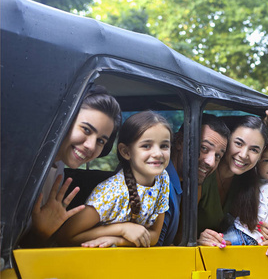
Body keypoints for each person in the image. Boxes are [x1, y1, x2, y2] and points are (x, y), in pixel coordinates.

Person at [20, 85, 122, 247]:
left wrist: (42, 233)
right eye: (86, 130)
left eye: (101, 141)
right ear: (63, 120)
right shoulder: (20, 164)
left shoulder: (58, 167)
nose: (91, 146)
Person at [56, 111, 172, 247]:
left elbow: (154, 236)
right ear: (126, 152)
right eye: (146, 146)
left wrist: (118, 240)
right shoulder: (111, 192)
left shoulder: (162, 179)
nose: (158, 153)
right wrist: (122, 229)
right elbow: (63, 237)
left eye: (164, 146)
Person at [197, 83, 268, 248]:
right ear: (227, 140)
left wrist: (254, 226)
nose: (243, 155)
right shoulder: (204, 169)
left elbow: (230, 222)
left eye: (254, 150)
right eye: (238, 143)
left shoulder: (248, 182)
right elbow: (174, 230)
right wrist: (196, 237)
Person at [157, 114, 230, 246]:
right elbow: (152, 252)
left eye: (218, 156)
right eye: (204, 148)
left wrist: (197, 242)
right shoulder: (159, 185)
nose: (211, 163)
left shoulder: (180, 185)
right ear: (179, 142)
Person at [223, 129, 268, 258]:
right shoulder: (257, 181)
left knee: (212, 249)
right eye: (266, 161)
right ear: (257, 161)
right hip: (241, 230)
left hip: (248, 237)